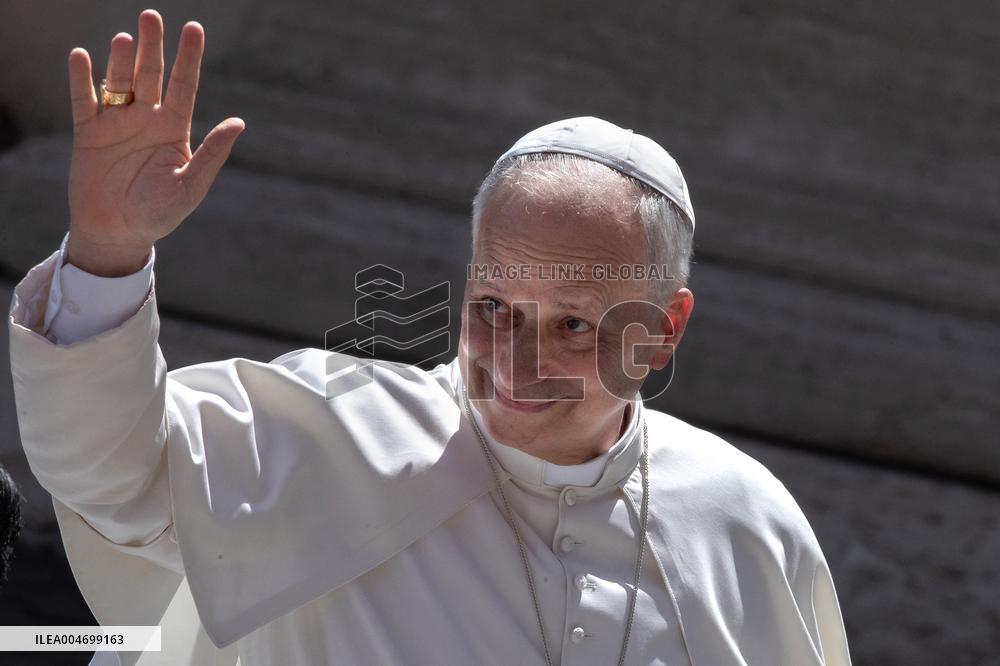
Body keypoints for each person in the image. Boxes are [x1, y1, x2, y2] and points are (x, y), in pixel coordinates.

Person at [7, 8, 851, 666]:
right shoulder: (331, 433)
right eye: (494, 307)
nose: (515, 363)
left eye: (570, 325)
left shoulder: (746, 524)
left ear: (664, 331)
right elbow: (107, 474)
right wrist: (109, 249)